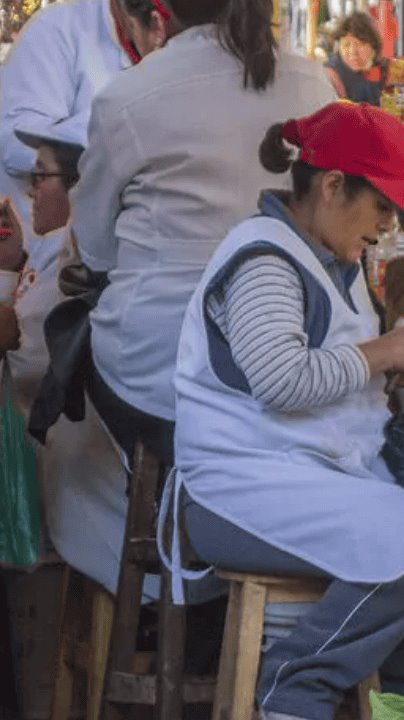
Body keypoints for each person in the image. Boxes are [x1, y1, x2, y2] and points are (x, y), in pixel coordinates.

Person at [174, 102, 404, 715]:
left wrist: (388, 371)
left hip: (327, 477)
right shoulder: (265, 259)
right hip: (242, 487)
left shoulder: (337, 261)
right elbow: (281, 380)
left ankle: (403, 681)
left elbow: (335, 378)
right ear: (334, 187)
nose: (389, 224)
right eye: (383, 206)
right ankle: (295, 687)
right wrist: (379, 352)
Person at [71, 0, 335, 465]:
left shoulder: (127, 97)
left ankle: (162, 512)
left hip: (155, 372)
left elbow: (96, 250)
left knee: (73, 341)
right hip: (290, 359)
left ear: (161, 11)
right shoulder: (312, 84)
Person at [0, 118, 132, 596]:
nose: (32, 190)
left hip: (80, 506)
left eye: (41, 176)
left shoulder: (76, 260)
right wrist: (14, 265)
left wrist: (9, 275)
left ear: (81, 186)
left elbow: (20, 363)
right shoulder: (53, 253)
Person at [0, 0, 143, 270]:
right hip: (39, 263)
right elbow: (14, 145)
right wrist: (120, 122)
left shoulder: (185, 42)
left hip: (119, 255)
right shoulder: (55, 30)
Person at [324, 11, 389, 104]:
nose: (353, 52)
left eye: (360, 44)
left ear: (373, 47)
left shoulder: (386, 70)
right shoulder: (331, 77)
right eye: (346, 45)